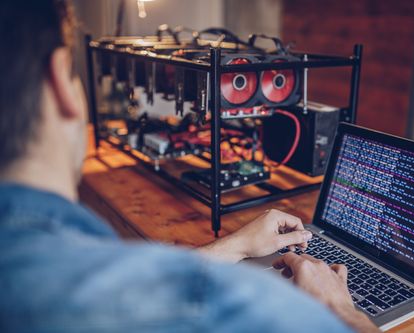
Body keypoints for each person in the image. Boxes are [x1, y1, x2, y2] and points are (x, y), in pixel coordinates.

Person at [0, 1, 379, 332]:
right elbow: (168, 294)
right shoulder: (222, 305)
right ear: (61, 83)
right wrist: (342, 312)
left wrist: (234, 246)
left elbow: (135, 285)